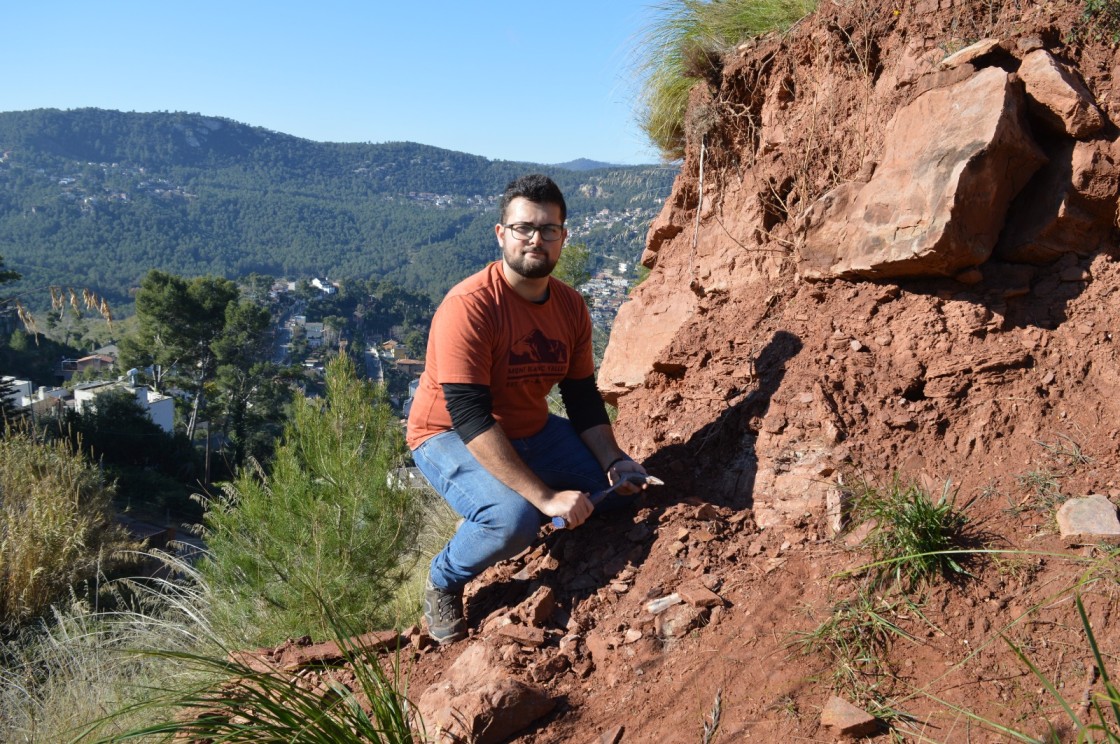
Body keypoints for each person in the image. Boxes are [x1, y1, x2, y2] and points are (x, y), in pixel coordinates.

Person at [406, 174, 647, 644]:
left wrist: (614, 461)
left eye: (548, 229)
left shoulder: (572, 308)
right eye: (523, 228)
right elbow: (471, 416)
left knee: (621, 495)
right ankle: (445, 577)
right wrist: (544, 498)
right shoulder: (470, 306)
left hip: (530, 428)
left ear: (563, 236)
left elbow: (581, 397)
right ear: (502, 234)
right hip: (447, 434)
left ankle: (519, 511)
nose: (536, 239)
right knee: (513, 519)